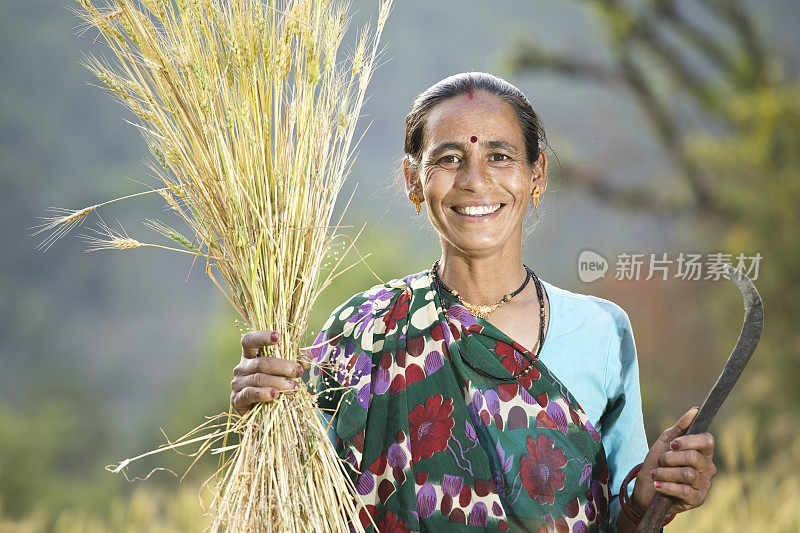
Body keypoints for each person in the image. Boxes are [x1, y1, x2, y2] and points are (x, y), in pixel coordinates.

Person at [229, 72, 716, 532]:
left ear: (537, 172)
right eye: (448, 158)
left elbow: (619, 518)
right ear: (413, 179)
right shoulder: (363, 331)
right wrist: (257, 418)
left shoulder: (602, 332)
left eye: (500, 156)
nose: (474, 180)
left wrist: (653, 496)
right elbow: (298, 502)